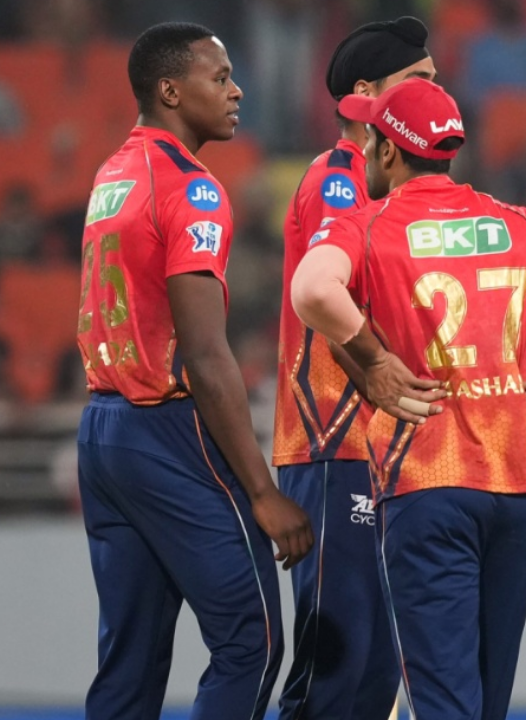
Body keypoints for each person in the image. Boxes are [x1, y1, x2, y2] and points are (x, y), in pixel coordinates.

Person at [290, 77, 526, 720]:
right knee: (489, 699)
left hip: (426, 482)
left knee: (442, 697)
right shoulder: (522, 224)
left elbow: (311, 291)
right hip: (517, 486)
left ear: (386, 150)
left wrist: (376, 362)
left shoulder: (369, 225)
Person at [76, 22, 312, 720]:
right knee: (255, 640)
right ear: (171, 90)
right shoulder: (192, 189)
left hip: (103, 430)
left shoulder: (113, 172)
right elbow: (206, 355)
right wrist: (262, 491)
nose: (237, 89)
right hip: (168, 430)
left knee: (130, 660)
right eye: (220, 76)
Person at [272, 16, 436, 720]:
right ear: (366, 95)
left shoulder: (389, 190)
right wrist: (377, 367)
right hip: (332, 437)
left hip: (374, 446)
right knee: (337, 659)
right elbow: (326, 296)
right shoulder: (337, 181)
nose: (437, 91)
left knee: (373, 664)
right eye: (420, 81)